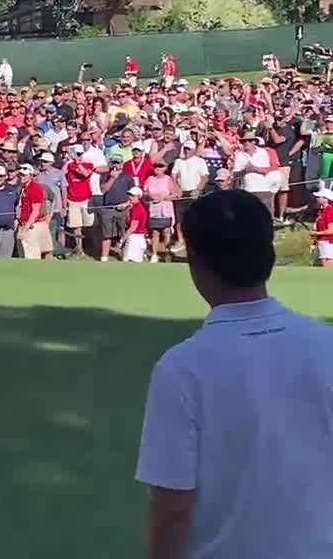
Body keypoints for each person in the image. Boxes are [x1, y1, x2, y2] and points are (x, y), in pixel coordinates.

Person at [137, 190, 333, 559]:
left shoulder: (182, 368)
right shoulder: (327, 344)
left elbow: (173, 508)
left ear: (195, 261)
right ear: (269, 255)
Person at [311, 187, 333, 267]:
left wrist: (316, 233)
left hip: (328, 242)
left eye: (318, 197)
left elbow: (331, 230)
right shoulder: (321, 211)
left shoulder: (329, 210)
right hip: (322, 241)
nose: (316, 198)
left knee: (327, 265)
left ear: (325, 199)